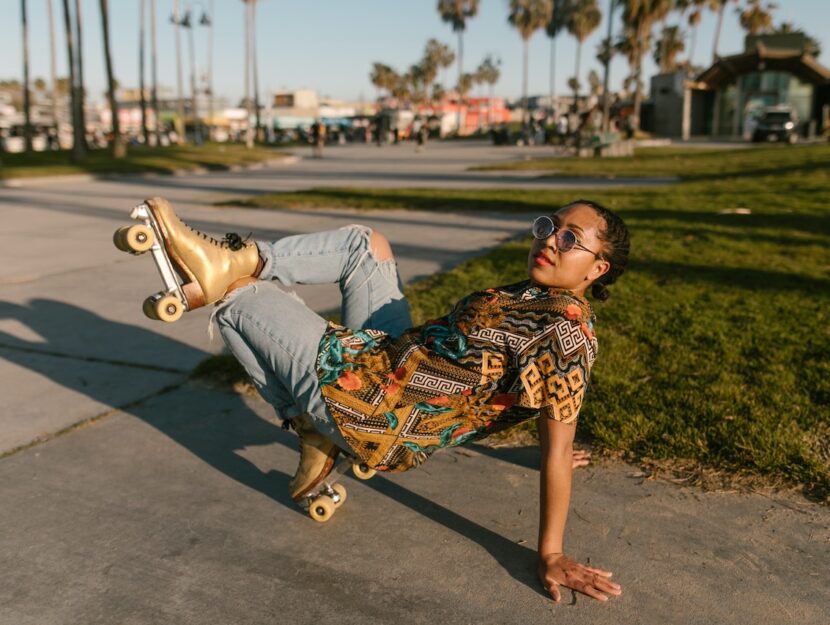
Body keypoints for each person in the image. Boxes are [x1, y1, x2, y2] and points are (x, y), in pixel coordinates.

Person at [138, 197, 629, 603]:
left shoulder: (566, 335)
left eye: (570, 238)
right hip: (389, 359)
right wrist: (529, 450)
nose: (549, 240)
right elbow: (514, 398)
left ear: (597, 268)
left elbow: (557, 433)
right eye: (549, 226)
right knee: (364, 244)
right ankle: (242, 269)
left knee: (239, 301)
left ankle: (308, 414)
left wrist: (550, 553)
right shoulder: (535, 295)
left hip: (370, 408)